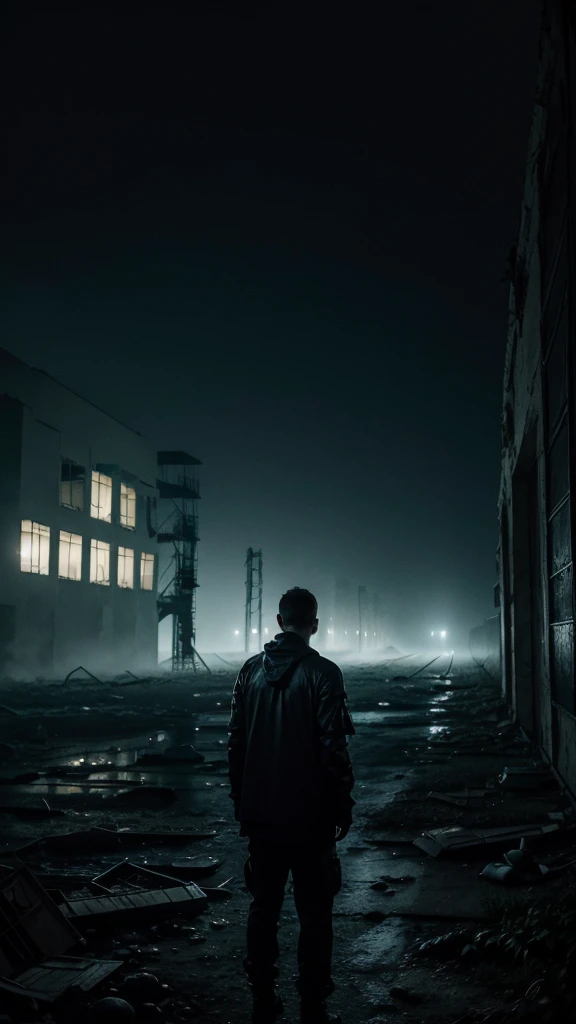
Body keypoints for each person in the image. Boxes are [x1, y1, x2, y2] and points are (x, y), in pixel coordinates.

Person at [228, 587, 355, 1024]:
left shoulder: (248, 672)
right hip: (310, 819)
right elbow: (332, 749)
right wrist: (343, 806)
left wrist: (242, 803)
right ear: (313, 625)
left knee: (263, 907)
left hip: (262, 817)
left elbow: (236, 747)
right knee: (315, 913)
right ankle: (313, 1004)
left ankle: (263, 998)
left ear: (279, 622)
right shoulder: (325, 673)